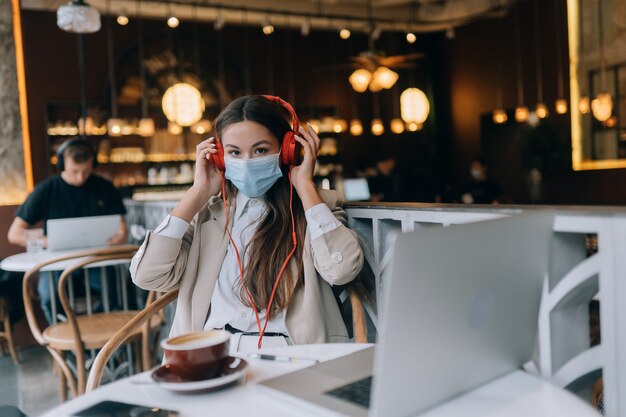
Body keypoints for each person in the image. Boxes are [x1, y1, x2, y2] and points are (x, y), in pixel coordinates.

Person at [130, 95, 364, 353]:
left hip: (291, 352)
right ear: (219, 158)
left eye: (261, 150)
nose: (247, 160)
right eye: (234, 152)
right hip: (214, 350)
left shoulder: (316, 209)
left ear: (288, 151)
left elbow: (342, 271)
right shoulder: (208, 215)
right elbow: (147, 276)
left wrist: (305, 187)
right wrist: (197, 192)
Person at [7, 138, 128, 323]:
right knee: (48, 298)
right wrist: (46, 241)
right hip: (56, 262)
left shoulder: (105, 188)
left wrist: (119, 237)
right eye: (74, 171)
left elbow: (122, 229)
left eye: (86, 171)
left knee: (115, 294)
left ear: (93, 164)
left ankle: (102, 343)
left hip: (96, 260)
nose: (80, 178)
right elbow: (14, 234)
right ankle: (68, 345)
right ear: (62, 164)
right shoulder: (46, 190)